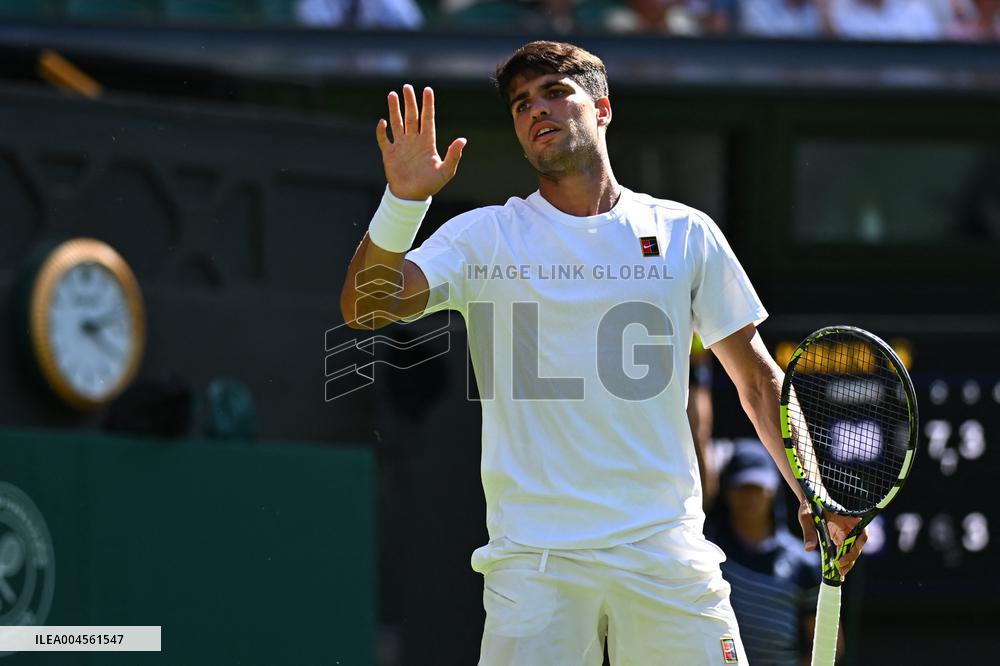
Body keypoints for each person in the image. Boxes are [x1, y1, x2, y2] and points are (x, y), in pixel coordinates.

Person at [339, 40, 867, 664]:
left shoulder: (686, 233)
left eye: (555, 92)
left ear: (603, 107)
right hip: (536, 566)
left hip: (666, 555)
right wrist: (403, 202)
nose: (536, 110)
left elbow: (757, 382)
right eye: (520, 103)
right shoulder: (486, 236)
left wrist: (814, 490)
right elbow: (365, 308)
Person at [708, 440, 845, 666]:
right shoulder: (707, 553)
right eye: (741, 488)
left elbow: (830, 644)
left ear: (771, 491)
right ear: (727, 492)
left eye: (756, 488)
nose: (749, 497)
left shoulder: (804, 566)